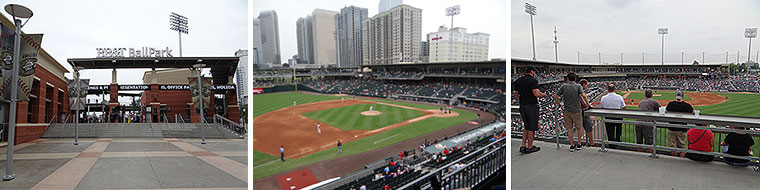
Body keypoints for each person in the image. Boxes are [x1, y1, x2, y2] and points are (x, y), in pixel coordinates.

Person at [513, 66, 547, 154]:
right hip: (531, 106)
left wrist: (522, 99)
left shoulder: (518, 80)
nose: (535, 74)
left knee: (526, 126)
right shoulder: (533, 80)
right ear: (532, 72)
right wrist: (543, 95)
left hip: (522, 105)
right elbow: (536, 93)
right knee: (532, 127)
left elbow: (515, 94)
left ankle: (523, 146)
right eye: (534, 72)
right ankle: (530, 147)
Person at [554, 72, 589, 152]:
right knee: (579, 128)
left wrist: (559, 104)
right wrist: (588, 104)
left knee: (569, 129)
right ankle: (579, 144)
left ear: (567, 78)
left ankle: (572, 145)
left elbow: (556, 96)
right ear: (575, 78)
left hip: (567, 110)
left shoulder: (564, 86)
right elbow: (584, 96)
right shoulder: (578, 86)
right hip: (576, 110)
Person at [665, 90, 692, 157]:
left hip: (672, 128)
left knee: (672, 146)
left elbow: (666, 111)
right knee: (682, 147)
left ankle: (674, 161)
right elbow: (693, 112)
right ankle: (681, 161)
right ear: (682, 96)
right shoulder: (687, 106)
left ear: (675, 96)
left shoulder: (670, 104)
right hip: (682, 128)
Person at [600, 84, 626, 148]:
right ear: (615, 89)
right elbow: (624, 107)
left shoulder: (603, 97)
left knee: (609, 131)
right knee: (618, 130)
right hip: (618, 116)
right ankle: (617, 142)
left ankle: (611, 145)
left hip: (608, 116)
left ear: (608, 90)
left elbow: (602, 108)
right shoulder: (619, 97)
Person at [579, 79, 595, 147]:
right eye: (586, 85)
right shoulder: (580, 91)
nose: (587, 86)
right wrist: (589, 105)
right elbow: (584, 103)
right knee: (588, 127)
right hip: (583, 112)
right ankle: (591, 143)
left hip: (577, 111)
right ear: (584, 84)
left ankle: (580, 143)